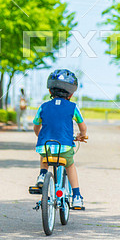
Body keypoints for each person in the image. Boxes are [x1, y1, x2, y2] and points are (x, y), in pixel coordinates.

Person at [33, 69, 88, 209]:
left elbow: (36, 127)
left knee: (44, 156)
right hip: (64, 147)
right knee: (70, 165)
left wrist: (41, 135)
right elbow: (83, 127)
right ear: (71, 93)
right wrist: (81, 135)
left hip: (45, 146)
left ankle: (42, 175)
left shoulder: (43, 107)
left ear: (50, 91)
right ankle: (76, 196)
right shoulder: (73, 107)